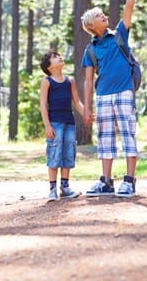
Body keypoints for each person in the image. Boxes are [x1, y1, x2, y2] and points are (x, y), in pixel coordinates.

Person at [81, 0, 142, 198]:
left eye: (102, 13)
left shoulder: (119, 34)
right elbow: (87, 80)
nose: (103, 15)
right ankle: (106, 181)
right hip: (103, 96)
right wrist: (86, 108)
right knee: (105, 138)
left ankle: (129, 180)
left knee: (128, 134)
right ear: (91, 26)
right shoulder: (91, 49)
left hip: (124, 91)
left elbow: (129, 5)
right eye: (98, 15)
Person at [40, 51, 84, 202]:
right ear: (49, 66)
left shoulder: (69, 81)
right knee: (54, 153)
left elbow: (77, 102)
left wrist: (87, 114)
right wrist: (47, 125)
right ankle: (52, 189)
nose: (59, 57)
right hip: (54, 123)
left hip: (69, 123)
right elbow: (43, 105)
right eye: (55, 57)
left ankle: (65, 188)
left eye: (59, 55)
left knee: (68, 153)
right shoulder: (47, 82)